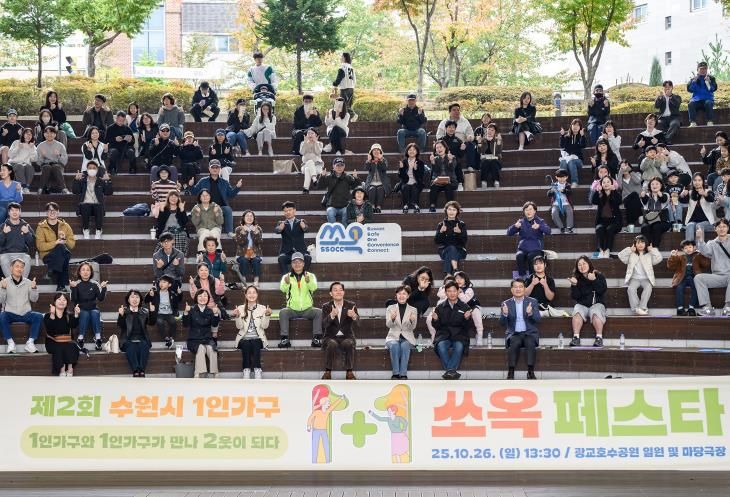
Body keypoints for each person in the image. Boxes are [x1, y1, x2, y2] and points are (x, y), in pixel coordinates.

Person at [278, 252, 322, 348]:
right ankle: (285, 339)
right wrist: (286, 283)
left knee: (318, 312)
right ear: (291, 264)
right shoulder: (286, 276)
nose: (297, 264)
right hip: (292, 309)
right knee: (283, 312)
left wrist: (308, 281)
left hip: (307, 309)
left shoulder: (310, 275)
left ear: (303, 264)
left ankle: (316, 338)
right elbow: (282, 289)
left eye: (299, 262)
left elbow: (314, 288)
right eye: (294, 262)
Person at [190, 160, 242, 238]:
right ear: (209, 169)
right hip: (206, 206)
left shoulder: (224, 182)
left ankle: (230, 232)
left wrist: (237, 187)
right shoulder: (203, 181)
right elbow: (194, 192)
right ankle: (202, 231)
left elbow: (231, 194)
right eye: (213, 167)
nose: (215, 169)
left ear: (220, 169)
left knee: (228, 209)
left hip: (220, 207)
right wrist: (191, 186)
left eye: (217, 167)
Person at [500, 278, 540, 380]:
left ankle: (530, 372)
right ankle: (511, 372)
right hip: (514, 333)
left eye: (521, 287)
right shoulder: (506, 303)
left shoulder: (532, 301)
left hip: (529, 333)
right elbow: (501, 323)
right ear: (511, 290)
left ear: (524, 289)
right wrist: (504, 314)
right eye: (515, 287)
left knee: (530, 343)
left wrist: (530, 313)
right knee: (514, 342)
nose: (518, 289)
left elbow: (537, 319)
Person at [432, 281, 471, 380]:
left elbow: (468, 326)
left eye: (454, 291)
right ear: (445, 292)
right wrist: (435, 320)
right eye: (449, 291)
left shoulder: (465, 307)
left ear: (458, 291)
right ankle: (452, 371)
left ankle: (449, 371)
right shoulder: (440, 307)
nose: (452, 293)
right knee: (440, 345)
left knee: (459, 346)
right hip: (444, 335)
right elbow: (437, 326)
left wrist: (467, 319)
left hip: (459, 336)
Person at [0, 258, 41, 353]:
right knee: (2, 315)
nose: (19, 269)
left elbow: (34, 299)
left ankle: (30, 343)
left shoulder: (29, 282)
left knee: (38, 316)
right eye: (17, 266)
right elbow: (1, 300)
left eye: (22, 267)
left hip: (25, 313)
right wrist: (3, 289)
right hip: (10, 313)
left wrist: (34, 288)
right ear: (11, 268)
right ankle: (10, 343)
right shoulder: (4, 282)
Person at [321, 282, 359, 380]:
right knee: (331, 344)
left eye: (340, 290)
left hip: (346, 336)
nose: (338, 292)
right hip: (330, 337)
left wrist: (354, 316)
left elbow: (359, 323)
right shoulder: (326, 306)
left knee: (349, 343)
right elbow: (323, 325)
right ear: (331, 293)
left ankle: (349, 372)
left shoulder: (351, 305)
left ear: (344, 292)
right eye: (335, 290)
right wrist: (331, 316)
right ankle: (328, 371)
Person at [232, 285, 271, 379]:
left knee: (255, 342)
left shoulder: (262, 308)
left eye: (254, 292)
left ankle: (257, 369)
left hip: (258, 338)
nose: (251, 295)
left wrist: (267, 316)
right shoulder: (240, 308)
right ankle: (246, 369)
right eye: (249, 293)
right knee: (246, 343)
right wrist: (237, 316)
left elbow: (264, 326)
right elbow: (239, 327)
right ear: (245, 295)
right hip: (243, 338)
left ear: (257, 294)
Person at [618, 235, 663, 316]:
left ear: (646, 244)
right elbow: (620, 256)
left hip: (646, 278)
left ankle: (642, 307)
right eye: (638, 243)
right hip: (634, 278)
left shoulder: (649, 254)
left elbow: (659, 258)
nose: (640, 244)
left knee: (648, 287)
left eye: (642, 242)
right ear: (635, 244)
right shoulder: (631, 254)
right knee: (630, 289)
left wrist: (652, 250)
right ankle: (636, 308)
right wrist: (629, 250)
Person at [35, 202, 75, 292]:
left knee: (62, 250)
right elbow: (40, 246)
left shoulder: (65, 226)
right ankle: (61, 286)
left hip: (62, 254)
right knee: (63, 253)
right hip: (48, 256)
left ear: (58, 212)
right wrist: (55, 242)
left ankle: (52, 269)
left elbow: (72, 244)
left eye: (54, 210)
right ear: (46, 212)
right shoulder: (41, 227)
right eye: (49, 210)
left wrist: (65, 240)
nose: (52, 212)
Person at [569, 256, 607, 347]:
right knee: (577, 312)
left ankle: (599, 338)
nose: (582, 266)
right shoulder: (576, 278)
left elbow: (602, 290)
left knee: (596, 312)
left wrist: (594, 280)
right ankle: (576, 337)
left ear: (589, 264)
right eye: (579, 265)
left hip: (596, 304)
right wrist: (574, 285)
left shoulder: (598, 275)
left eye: (584, 263)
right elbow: (575, 297)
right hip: (583, 305)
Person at [695, 219, 730, 316]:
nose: (722, 229)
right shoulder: (712, 243)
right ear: (715, 229)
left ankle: (728, 307)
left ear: (728, 228)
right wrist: (700, 240)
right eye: (719, 227)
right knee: (698, 278)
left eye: (724, 226)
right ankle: (707, 308)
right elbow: (705, 252)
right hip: (717, 276)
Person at [117, 289, 156, 377]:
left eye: (137, 297)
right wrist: (121, 315)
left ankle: (141, 370)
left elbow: (152, 323)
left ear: (140, 300)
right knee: (131, 346)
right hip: (127, 339)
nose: (135, 299)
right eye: (132, 297)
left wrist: (152, 312)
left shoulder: (144, 311)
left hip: (142, 338)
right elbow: (121, 325)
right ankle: (135, 370)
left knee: (144, 346)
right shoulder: (124, 311)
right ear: (128, 300)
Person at [506, 201, 551, 277]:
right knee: (519, 255)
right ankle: (522, 277)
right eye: (526, 210)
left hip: (536, 248)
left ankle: (532, 277)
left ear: (535, 211)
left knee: (531, 256)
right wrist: (515, 227)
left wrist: (539, 226)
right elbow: (509, 233)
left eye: (530, 209)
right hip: (523, 248)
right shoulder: (521, 222)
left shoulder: (540, 221)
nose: (528, 212)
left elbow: (548, 231)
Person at [668, 239, 711, 316]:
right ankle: (680, 308)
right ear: (682, 250)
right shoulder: (680, 257)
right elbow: (671, 266)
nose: (688, 249)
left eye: (690, 247)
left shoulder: (698, 256)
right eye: (685, 248)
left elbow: (706, 264)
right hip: (682, 277)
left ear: (694, 247)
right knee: (679, 288)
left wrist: (702, 254)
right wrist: (673, 257)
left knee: (696, 288)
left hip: (694, 277)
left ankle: (691, 308)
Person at [71, 261, 108, 350]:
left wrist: (103, 288)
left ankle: (98, 338)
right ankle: (80, 338)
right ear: (79, 272)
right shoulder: (76, 283)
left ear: (91, 272)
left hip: (93, 308)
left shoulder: (95, 283)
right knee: (85, 314)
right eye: (83, 270)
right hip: (81, 309)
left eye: (88, 270)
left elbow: (100, 298)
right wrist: (73, 288)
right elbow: (74, 299)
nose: (85, 272)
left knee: (95, 313)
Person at [72, 161, 113, 240]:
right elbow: (75, 191)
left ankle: (98, 230)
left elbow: (108, 192)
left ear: (97, 170)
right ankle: (86, 229)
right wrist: (76, 180)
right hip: (85, 206)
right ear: (87, 170)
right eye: (90, 168)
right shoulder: (82, 180)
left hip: (97, 207)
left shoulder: (100, 181)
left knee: (99, 206)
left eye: (94, 168)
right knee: (85, 205)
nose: (92, 170)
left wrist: (108, 181)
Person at [385, 285, 418, 379]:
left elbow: (413, 327)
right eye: (399, 293)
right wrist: (392, 318)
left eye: (404, 294)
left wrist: (411, 320)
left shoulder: (413, 310)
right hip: (393, 337)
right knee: (394, 345)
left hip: (407, 337)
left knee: (405, 345)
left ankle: (403, 374)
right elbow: (388, 325)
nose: (401, 296)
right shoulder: (390, 308)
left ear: (408, 296)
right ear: (396, 295)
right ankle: (395, 373)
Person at [44, 292, 80, 376]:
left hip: (66, 340)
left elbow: (73, 325)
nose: (62, 301)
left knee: (72, 345)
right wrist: (52, 315)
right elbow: (50, 331)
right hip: (52, 341)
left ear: (67, 303)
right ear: (54, 302)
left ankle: (70, 368)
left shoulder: (68, 315)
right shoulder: (47, 315)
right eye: (59, 299)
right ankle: (62, 368)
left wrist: (76, 314)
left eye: (64, 300)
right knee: (59, 347)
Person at [144, 275, 183, 349]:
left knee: (173, 322)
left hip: (169, 313)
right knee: (160, 322)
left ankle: (171, 338)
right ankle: (166, 338)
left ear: (169, 285)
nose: (161, 284)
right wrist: (149, 295)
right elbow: (146, 300)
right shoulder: (155, 293)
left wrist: (179, 293)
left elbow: (178, 300)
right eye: (160, 282)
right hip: (159, 314)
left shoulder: (172, 293)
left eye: (164, 282)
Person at [188, 263, 226, 338]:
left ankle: (214, 334)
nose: (204, 272)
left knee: (216, 312)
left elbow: (220, 292)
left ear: (209, 271)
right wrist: (192, 285)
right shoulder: (194, 282)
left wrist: (222, 281)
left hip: (213, 305)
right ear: (198, 272)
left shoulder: (215, 280)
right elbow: (194, 297)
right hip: (201, 306)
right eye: (201, 270)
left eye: (206, 270)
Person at [320, 157, 361, 223]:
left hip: (344, 206)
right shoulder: (329, 177)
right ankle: (333, 228)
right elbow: (320, 186)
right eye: (337, 165)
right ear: (333, 166)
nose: (340, 167)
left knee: (347, 211)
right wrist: (322, 177)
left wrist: (356, 178)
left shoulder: (348, 177)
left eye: (342, 165)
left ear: (344, 167)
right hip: (332, 206)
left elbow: (356, 186)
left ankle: (344, 228)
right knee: (330, 212)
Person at [275, 201, 311, 275]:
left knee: (307, 257)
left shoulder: (301, 221)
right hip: (287, 252)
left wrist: (303, 227)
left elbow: (307, 229)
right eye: (285, 211)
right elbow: (276, 230)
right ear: (283, 212)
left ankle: (303, 276)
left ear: (294, 211)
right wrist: (280, 229)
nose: (288, 212)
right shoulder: (281, 223)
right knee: (281, 258)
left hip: (300, 251)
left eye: (290, 210)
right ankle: (286, 278)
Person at [0, 203, 34, 278]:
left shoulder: (26, 225)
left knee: (27, 259)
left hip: (22, 253)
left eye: (17, 210)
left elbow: (31, 243)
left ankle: (22, 282)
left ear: (20, 212)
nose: (14, 212)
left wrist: (27, 233)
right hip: (7, 254)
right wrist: (4, 233)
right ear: (9, 212)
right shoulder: (3, 226)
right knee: (3, 259)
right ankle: (13, 282)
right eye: (12, 210)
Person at [592, 175, 622, 258]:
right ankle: (601, 250)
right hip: (602, 221)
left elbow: (619, 201)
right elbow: (594, 201)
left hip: (615, 221)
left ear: (612, 183)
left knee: (609, 229)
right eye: (604, 182)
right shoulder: (600, 194)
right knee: (599, 228)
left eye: (608, 182)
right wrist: (597, 191)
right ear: (601, 184)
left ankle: (608, 250)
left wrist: (614, 191)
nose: (606, 184)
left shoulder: (615, 193)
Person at [681, 172, 716, 242]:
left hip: (707, 222)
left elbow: (711, 199)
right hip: (693, 222)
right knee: (690, 225)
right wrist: (682, 195)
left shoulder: (708, 191)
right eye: (695, 180)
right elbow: (683, 201)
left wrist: (704, 194)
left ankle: (699, 247)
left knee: (699, 225)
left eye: (699, 180)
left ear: (703, 181)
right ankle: (689, 246)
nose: (697, 182)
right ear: (692, 182)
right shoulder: (690, 193)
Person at [435, 200, 467, 276]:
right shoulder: (441, 224)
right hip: (444, 250)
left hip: (459, 251)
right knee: (450, 248)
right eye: (449, 209)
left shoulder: (461, 224)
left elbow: (464, 241)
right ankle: (455, 270)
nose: (451, 212)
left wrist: (459, 233)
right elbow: (437, 241)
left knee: (450, 252)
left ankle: (448, 275)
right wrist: (441, 232)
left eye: (454, 210)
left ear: (457, 212)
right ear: (446, 211)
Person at [152, 190, 188, 256]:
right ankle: (169, 256)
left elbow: (184, 222)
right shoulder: (164, 208)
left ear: (178, 199)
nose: (173, 198)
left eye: (175, 197)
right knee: (169, 237)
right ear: (168, 198)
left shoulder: (180, 208)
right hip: (166, 230)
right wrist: (162, 211)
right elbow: (160, 223)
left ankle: (178, 256)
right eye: (171, 196)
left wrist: (182, 210)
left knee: (179, 235)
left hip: (179, 231)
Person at [234, 210, 263, 287]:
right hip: (242, 252)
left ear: (254, 218)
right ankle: (243, 280)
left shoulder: (258, 228)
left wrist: (256, 233)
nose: (249, 218)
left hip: (255, 252)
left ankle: (256, 280)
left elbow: (259, 242)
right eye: (247, 216)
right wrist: (243, 233)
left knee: (256, 260)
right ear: (243, 218)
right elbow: (239, 243)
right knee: (243, 260)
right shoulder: (238, 229)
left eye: (251, 216)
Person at [35, 126, 68, 194]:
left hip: (58, 164)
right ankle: (40, 189)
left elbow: (64, 161)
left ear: (55, 134)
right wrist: (42, 156)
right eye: (47, 133)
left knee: (56, 167)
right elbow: (38, 162)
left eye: (51, 133)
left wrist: (58, 155)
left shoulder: (60, 145)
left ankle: (64, 189)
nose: (49, 134)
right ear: (44, 134)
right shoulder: (40, 146)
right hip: (45, 164)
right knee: (47, 167)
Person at [428, 140, 458, 212]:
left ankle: (450, 206)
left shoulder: (452, 157)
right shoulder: (435, 159)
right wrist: (433, 162)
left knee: (448, 187)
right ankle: (432, 205)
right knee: (434, 187)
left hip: (450, 181)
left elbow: (452, 169)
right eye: (437, 148)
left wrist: (450, 161)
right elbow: (436, 171)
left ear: (445, 148)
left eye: (440, 147)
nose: (439, 149)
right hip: (438, 182)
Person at [640, 177, 671, 249]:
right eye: (652, 184)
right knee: (645, 228)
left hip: (662, 221)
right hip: (649, 220)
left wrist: (659, 193)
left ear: (661, 185)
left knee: (656, 227)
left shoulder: (666, 195)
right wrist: (643, 196)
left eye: (657, 184)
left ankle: (655, 248)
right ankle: (648, 247)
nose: (654, 186)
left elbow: (663, 199)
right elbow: (644, 202)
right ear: (650, 186)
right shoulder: (647, 195)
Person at [687, 61, 717, 127]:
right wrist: (694, 82)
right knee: (691, 104)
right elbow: (690, 90)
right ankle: (692, 122)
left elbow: (713, 89)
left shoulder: (711, 78)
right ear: (697, 70)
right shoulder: (693, 79)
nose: (703, 70)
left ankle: (710, 121)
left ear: (707, 69)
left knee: (708, 103)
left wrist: (709, 82)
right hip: (697, 100)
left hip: (708, 99)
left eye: (705, 69)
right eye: (701, 69)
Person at [7, 127, 37, 193]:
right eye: (27, 133)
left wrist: (31, 148)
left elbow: (34, 159)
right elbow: (10, 155)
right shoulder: (16, 142)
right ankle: (23, 186)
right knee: (19, 166)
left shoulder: (32, 146)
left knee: (30, 168)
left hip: (25, 164)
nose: (28, 136)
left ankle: (27, 187)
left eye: (30, 134)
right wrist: (18, 148)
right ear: (23, 134)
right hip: (13, 163)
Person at [363, 143, 390, 213]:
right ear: (371, 152)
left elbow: (384, 168)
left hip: (382, 182)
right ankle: (372, 206)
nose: (376, 151)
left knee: (380, 189)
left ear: (380, 152)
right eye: (374, 150)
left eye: (378, 150)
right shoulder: (369, 160)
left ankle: (378, 207)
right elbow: (366, 168)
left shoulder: (384, 160)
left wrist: (380, 160)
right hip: (371, 182)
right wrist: (369, 161)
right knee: (372, 189)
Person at [398, 143, 425, 213]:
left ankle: (415, 205)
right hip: (405, 181)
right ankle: (405, 205)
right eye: (410, 150)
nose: (412, 151)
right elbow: (400, 176)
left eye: (414, 150)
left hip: (416, 181)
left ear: (417, 151)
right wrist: (401, 169)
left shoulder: (420, 162)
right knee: (406, 187)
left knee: (414, 187)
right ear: (407, 151)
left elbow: (421, 175)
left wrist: (415, 169)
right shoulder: (404, 161)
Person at [476, 123, 502, 189]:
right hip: (484, 159)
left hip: (495, 159)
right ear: (486, 130)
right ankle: (484, 181)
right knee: (485, 162)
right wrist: (479, 142)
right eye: (489, 129)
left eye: (492, 130)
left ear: (495, 132)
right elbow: (479, 152)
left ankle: (496, 181)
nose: (490, 131)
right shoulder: (482, 139)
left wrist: (499, 142)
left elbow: (498, 152)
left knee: (494, 162)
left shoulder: (497, 140)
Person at [547, 169, 574, 234]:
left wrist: (564, 191)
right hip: (556, 204)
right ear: (556, 177)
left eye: (563, 177)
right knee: (554, 213)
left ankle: (569, 228)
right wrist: (552, 191)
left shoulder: (568, 185)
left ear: (566, 177)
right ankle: (562, 228)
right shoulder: (554, 185)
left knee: (570, 212)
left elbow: (570, 192)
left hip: (566, 203)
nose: (561, 179)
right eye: (560, 177)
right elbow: (548, 194)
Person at [332, 52, 357, 121]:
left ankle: (352, 115)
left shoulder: (342, 67)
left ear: (344, 58)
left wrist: (334, 84)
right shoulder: (351, 67)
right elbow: (354, 79)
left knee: (342, 104)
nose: (340, 58)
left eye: (341, 57)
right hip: (351, 88)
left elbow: (339, 77)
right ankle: (346, 119)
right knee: (347, 105)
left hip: (344, 88)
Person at [619, 160, 643, 229]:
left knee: (634, 195)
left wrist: (630, 171)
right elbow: (619, 187)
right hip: (626, 198)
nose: (624, 169)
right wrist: (620, 173)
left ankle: (630, 223)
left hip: (637, 198)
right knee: (632, 197)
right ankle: (640, 213)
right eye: (622, 167)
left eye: (626, 166)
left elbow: (638, 181)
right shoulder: (620, 178)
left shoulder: (636, 174)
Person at [300, 128, 324, 194]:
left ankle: (306, 188)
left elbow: (318, 152)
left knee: (308, 170)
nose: (310, 135)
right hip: (305, 165)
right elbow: (302, 152)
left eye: (312, 133)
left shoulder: (320, 143)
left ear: (316, 135)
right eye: (308, 133)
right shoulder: (303, 143)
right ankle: (314, 179)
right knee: (309, 162)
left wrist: (315, 142)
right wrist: (305, 143)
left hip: (317, 166)